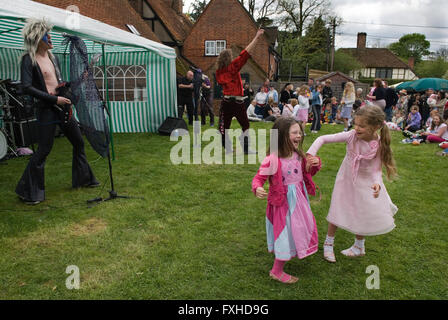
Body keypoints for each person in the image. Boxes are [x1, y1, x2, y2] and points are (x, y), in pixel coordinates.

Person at [16, 18, 98, 205]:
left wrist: (77, 81)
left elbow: (58, 83)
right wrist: (54, 99)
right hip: (47, 110)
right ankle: (28, 191)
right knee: (43, 150)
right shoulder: (28, 59)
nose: (51, 38)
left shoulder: (53, 58)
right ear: (38, 38)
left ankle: (84, 180)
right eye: (47, 35)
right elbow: (27, 87)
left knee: (78, 142)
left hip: (63, 108)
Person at [307, 106, 398, 262]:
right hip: (346, 178)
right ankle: (328, 244)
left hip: (366, 181)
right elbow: (322, 139)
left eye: (361, 126)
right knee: (337, 207)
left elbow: (377, 169)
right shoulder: (351, 136)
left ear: (375, 127)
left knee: (362, 210)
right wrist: (310, 154)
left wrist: (377, 183)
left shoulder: (379, 144)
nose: (356, 128)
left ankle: (359, 246)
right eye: (355, 124)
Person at [252, 117, 321, 283]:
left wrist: (315, 164)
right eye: (294, 133)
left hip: (299, 200)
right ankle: (276, 271)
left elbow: (307, 174)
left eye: (300, 132)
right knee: (284, 234)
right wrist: (257, 188)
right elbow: (258, 178)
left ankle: (292, 250)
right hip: (283, 203)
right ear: (282, 136)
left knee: (298, 229)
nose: (299, 135)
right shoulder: (273, 159)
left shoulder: (299, 155)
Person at [215, 29, 265, 154]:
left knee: (224, 126)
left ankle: (227, 149)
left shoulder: (218, 72)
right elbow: (245, 53)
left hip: (226, 101)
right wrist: (256, 37)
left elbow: (223, 82)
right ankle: (245, 148)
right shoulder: (233, 67)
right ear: (229, 58)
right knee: (245, 125)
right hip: (237, 102)